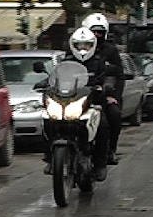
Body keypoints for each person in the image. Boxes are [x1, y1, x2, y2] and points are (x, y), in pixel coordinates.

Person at [43, 26, 110, 180]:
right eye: (79, 45)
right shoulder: (66, 61)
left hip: (91, 101)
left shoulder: (99, 61)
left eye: (86, 45)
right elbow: (56, 77)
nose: (82, 48)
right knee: (47, 119)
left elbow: (107, 77)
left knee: (103, 125)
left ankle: (100, 164)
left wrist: (105, 87)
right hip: (68, 100)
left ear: (93, 45)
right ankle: (49, 156)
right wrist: (46, 84)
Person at [81, 13, 125, 165]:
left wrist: (113, 95)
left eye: (100, 32)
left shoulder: (110, 51)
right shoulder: (74, 48)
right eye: (93, 31)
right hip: (78, 95)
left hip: (101, 94)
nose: (97, 35)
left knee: (113, 115)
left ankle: (109, 151)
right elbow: (64, 70)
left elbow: (119, 75)